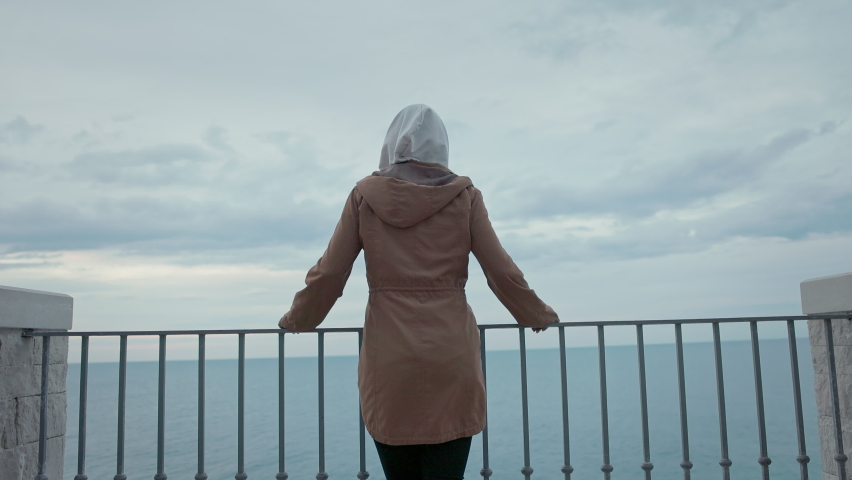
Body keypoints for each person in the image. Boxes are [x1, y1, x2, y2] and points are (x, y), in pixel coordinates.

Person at [279, 104, 559, 480]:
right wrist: (534, 314)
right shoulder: (466, 196)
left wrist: (300, 319)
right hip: (450, 355)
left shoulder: (363, 196)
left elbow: (330, 273)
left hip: (389, 358)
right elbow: (500, 269)